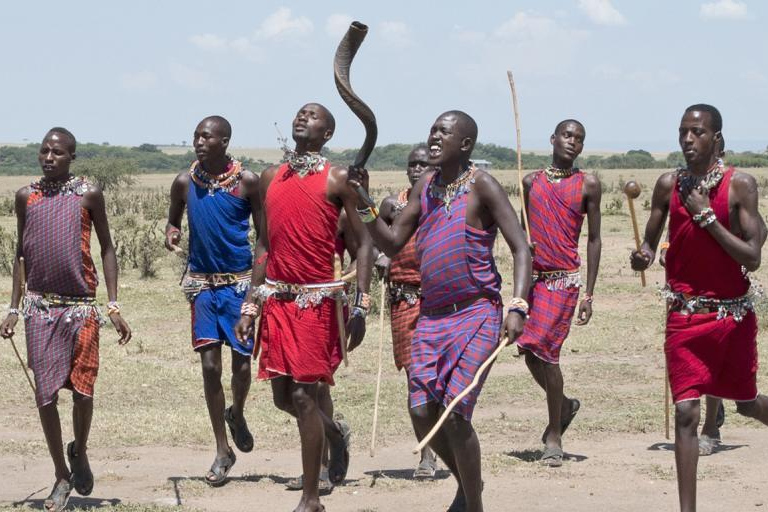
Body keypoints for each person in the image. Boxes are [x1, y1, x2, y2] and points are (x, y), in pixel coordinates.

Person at [348, 110, 531, 512]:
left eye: (444, 132)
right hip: (431, 315)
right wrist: (363, 203)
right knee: (420, 408)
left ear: (464, 144)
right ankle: (469, 482)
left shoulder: (483, 186)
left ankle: (473, 502)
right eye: (432, 129)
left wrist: (517, 305)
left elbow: (521, 247)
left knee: (454, 411)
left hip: (477, 311)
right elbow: (393, 242)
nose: (434, 137)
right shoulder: (427, 186)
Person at [631, 104, 768, 512]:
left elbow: (752, 256)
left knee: (745, 403)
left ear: (717, 138)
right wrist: (642, 255)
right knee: (687, 412)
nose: (688, 140)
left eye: (697, 132)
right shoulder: (667, 184)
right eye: (682, 132)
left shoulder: (739, 185)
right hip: (684, 317)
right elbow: (650, 243)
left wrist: (706, 216)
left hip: (731, 318)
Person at [236, 102, 372, 512]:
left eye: (313, 116)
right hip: (276, 299)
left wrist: (361, 304)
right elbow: (264, 243)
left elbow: (364, 242)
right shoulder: (269, 177)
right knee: (282, 398)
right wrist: (249, 304)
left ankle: (311, 499)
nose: (303, 118)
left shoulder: (339, 179)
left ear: (327, 133)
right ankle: (334, 433)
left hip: (318, 302)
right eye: (300, 113)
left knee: (302, 397)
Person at [0, 127, 132, 512]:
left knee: (83, 390)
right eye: (43, 151)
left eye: (57, 152)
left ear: (72, 157)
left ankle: (80, 449)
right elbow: (21, 255)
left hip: (81, 307)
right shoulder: (27, 196)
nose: (48, 157)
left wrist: (114, 304)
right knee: (45, 395)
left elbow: (106, 247)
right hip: (39, 310)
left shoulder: (88, 194)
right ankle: (60, 474)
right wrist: (12, 307)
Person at [164, 115, 260, 486]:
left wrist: (256, 290)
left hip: (238, 286)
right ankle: (222, 449)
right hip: (202, 286)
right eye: (196, 136)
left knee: (241, 368)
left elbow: (264, 237)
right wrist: (172, 232)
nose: (199, 142)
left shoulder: (247, 183)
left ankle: (236, 412)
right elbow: (173, 221)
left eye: (207, 136)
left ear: (225, 141)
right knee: (209, 367)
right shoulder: (185, 182)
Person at [516, 119, 602, 467]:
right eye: (567, 135)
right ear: (552, 139)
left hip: (564, 282)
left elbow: (594, 239)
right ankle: (564, 404)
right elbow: (520, 235)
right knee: (527, 349)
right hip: (533, 279)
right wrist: (525, 244)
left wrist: (590, 294)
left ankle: (554, 435)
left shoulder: (588, 185)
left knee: (546, 352)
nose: (572, 142)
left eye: (579, 139)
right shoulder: (529, 181)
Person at [659, 137, 728, 458]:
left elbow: (757, 233)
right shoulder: (677, 186)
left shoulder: (733, 187)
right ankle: (702, 419)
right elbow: (670, 230)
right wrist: (662, 251)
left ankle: (711, 426)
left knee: (715, 363)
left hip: (723, 293)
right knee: (691, 363)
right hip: (685, 291)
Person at [377, 144, 438, 478]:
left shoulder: (443, 203)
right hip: (403, 301)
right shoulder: (392, 205)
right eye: (412, 164)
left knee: (437, 379)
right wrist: (379, 257)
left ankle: (445, 444)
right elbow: (373, 242)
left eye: (424, 164)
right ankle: (427, 454)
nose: (417, 170)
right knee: (416, 379)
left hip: (439, 303)